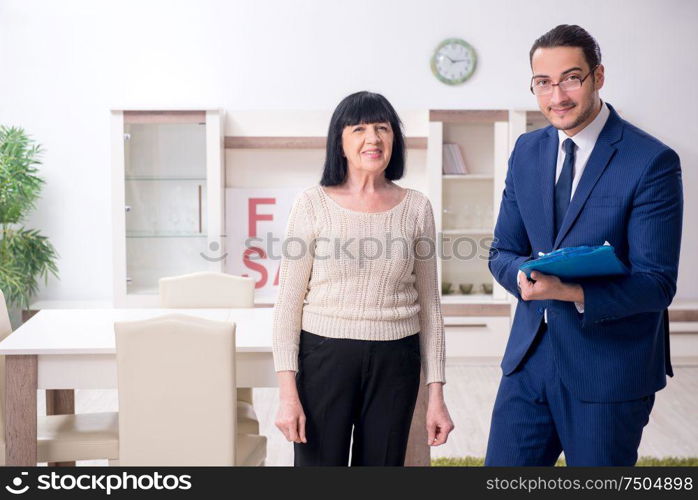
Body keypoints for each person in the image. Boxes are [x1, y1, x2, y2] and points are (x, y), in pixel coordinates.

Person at [486, 25, 683, 466]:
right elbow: (502, 250)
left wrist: (569, 291)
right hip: (529, 361)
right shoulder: (527, 150)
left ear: (598, 76)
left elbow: (656, 284)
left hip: (608, 368)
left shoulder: (651, 161)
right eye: (543, 83)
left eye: (571, 78)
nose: (557, 96)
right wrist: (525, 275)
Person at [272, 91, 454, 466]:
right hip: (324, 356)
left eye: (382, 128)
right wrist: (287, 394)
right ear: (339, 141)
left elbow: (430, 308)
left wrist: (436, 394)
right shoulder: (312, 204)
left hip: (396, 359)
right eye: (359, 129)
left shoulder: (417, 208)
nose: (372, 139)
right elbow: (287, 304)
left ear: (394, 140)